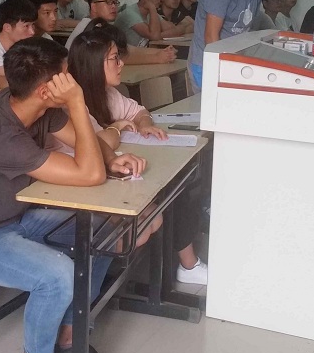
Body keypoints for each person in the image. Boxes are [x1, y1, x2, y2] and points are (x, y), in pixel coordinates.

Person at [0, 37, 146, 353]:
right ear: (46, 90)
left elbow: (84, 142)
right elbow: (90, 175)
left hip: (11, 219)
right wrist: (77, 102)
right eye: (66, 76)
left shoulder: (32, 105)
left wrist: (112, 158)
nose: (72, 82)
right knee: (57, 276)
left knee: (107, 230)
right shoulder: (3, 137)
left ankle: (69, 339)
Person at [67, 25, 208, 285]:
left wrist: (143, 125)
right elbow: (99, 142)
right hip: (87, 184)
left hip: (110, 172)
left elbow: (140, 111)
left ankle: (185, 263)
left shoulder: (108, 93)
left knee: (175, 188)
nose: (121, 64)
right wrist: (116, 128)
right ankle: (184, 265)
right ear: (94, 64)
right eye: (114, 59)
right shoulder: (75, 102)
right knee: (165, 199)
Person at [65, 0, 178, 65]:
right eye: (108, 2)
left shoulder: (104, 27)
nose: (113, 6)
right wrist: (157, 58)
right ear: (93, 6)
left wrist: (162, 52)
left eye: (115, 2)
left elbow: (126, 49)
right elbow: (118, 57)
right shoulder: (90, 28)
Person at [114, 0, 193, 47]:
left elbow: (173, 29)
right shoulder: (131, 14)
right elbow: (155, 36)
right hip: (126, 57)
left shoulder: (152, 13)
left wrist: (161, 35)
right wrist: (152, 9)